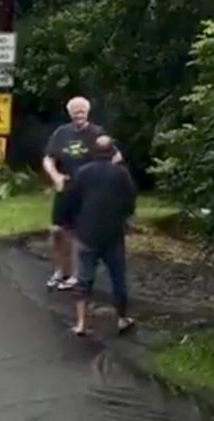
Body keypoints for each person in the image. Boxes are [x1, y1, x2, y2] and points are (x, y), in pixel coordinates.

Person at [59, 134, 137, 337]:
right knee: (118, 278)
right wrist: (124, 219)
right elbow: (130, 202)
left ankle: (82, 323)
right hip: (113, 234)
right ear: (112, 152)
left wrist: (70, 224)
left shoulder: (83, 173)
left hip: (87, 233)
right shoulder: (121, 174)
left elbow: (71, 200)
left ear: (94, 152)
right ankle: (121, 319)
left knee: (84, 279)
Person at [42, 96, 121, 291]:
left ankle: (77, 275)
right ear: (69, 113)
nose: (79, 113)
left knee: (79, 233)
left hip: (87, 190)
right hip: (66, 186)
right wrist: (56, 176)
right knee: (58, 231)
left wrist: (99, 175)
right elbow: (48, 158)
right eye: (76, 110)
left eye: (82, 110)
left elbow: (116, 156)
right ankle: (61, 270)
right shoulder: (62, 133)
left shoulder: (96, 133)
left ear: (88, 112)